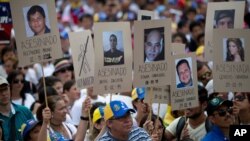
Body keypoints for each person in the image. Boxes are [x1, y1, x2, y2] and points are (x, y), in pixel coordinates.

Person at [0, 76, 34, 140]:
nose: (4, 93)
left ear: (9, 88)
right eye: (0, 91)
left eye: (5, 89)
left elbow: (37, 136)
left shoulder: (25, 111)